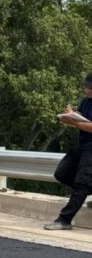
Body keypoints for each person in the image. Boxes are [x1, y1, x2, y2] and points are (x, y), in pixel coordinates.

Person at [44, 73, 92, 230]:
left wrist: (73, 121)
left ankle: (64, 219)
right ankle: (85, 191)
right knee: (62, 173)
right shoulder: (86, 101)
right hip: (82, 144)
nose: (87, 90)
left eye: (90, 88)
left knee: (82, 183)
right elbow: (83, 117)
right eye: (86, 87)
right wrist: (71, 114)